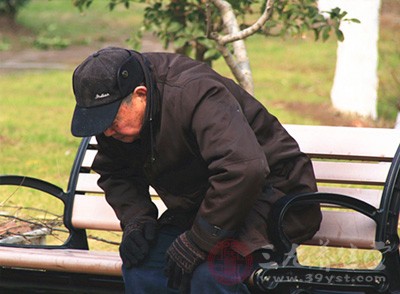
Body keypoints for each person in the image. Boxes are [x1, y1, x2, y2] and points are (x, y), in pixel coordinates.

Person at [70, 46, 322, 294]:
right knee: (143, 267)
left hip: (274, 200)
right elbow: (115, 172)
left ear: (140, 94)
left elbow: (244, 169)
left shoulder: (195, 92)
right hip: (208, 206)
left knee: (211, 275)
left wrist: (198, 242)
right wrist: (137, 219)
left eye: (112, 122)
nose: (107, 133)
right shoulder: (119, 121)